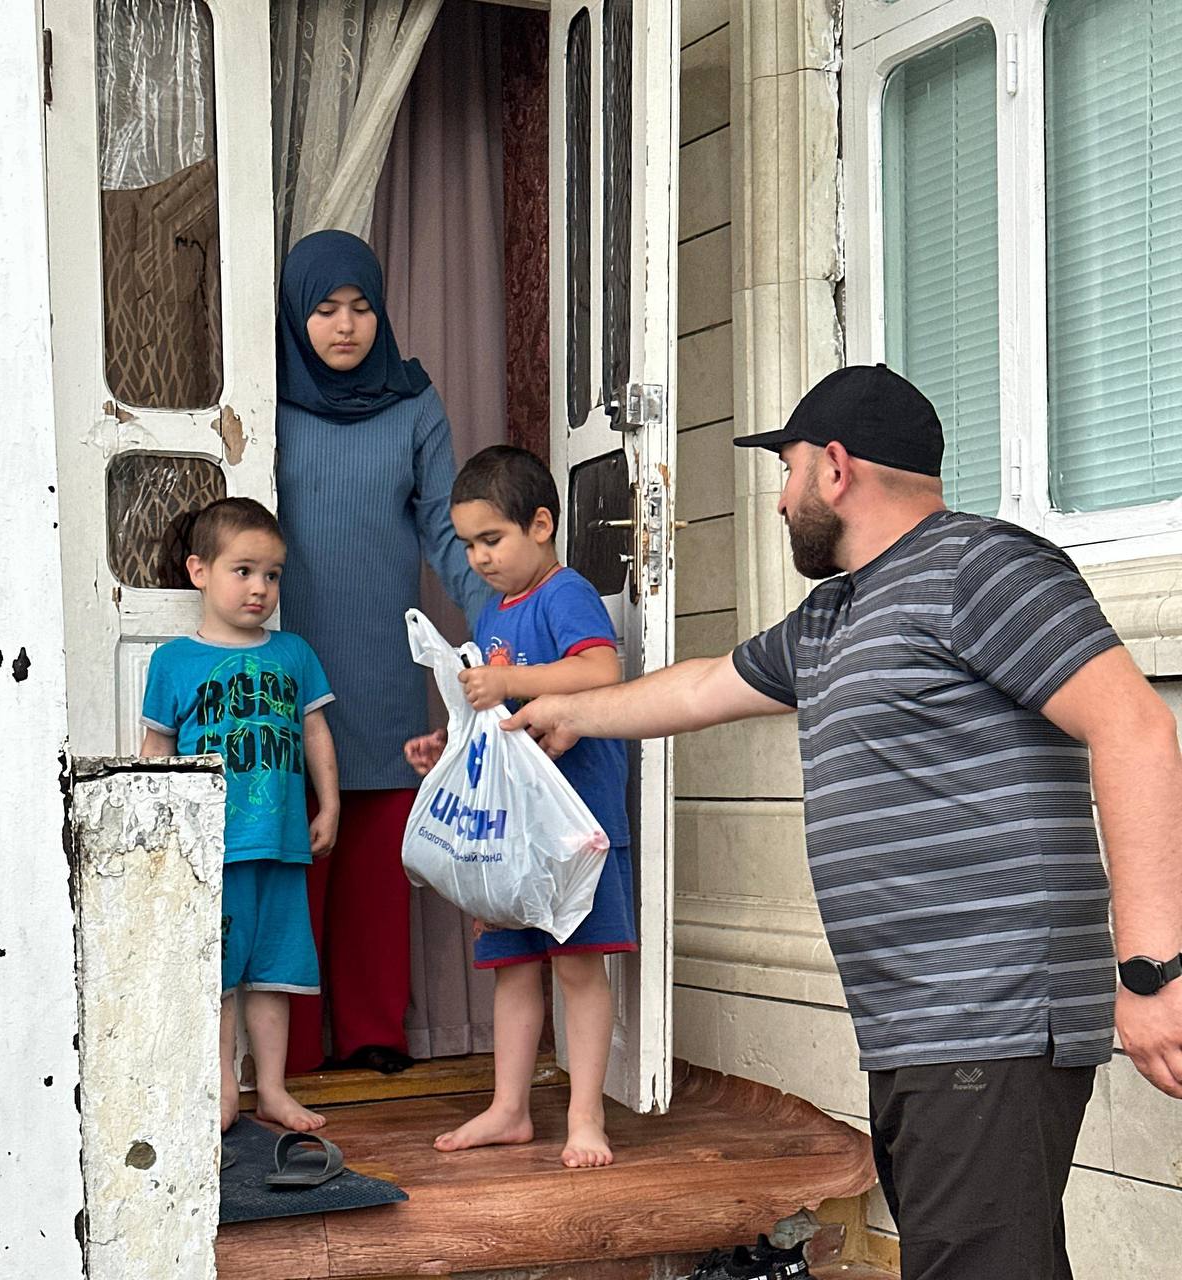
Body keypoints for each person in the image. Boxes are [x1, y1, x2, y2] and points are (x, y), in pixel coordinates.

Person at [500, 366, 1182, 1276]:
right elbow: (705, 684)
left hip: (992, 1010)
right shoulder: (832, 615)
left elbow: (1135, 728)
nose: (779, 502)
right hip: (910, 1021)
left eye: (784, 473)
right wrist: (573, 712)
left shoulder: (983, 567)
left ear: (834, 467)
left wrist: (1151, 970)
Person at [275, 230, 490, 1075]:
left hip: (380, 655)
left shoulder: (413, 403)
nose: (344, 326)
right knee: (293, 852)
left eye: (362, 308)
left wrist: (497, 626)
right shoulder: (264, 395)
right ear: (297, 314)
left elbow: (445, 529)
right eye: (325, 309)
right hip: (289, 655)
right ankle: (285, 1047)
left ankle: (371, 1032)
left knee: (374, 847)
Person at [404, 445, 635, 1168]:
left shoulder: (564, 593)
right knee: (513, 967)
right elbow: (496, 711)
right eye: (468, 544)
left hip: (572, 824)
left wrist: (510, 683)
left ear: (541, 524)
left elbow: (600, 670)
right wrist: (448, 742)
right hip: (511, 832)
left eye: (491, 539)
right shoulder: (496, 611)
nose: (478, 558)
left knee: (576, 966)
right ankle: (509, 1108)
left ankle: (586, 1114)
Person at [140, 497, 338, 1134]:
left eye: (273, 575)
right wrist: (159, 833)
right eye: (243, 570)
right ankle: (223, 1086)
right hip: (210, 850)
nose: (260, 588)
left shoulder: (294, 654)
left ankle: (273, 1090)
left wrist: (328, 803)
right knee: (220, 975)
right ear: (200, 571)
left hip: (280, 845)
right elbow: (156, 751)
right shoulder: (173, 661)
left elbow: (314, 733)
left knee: (273, 973)